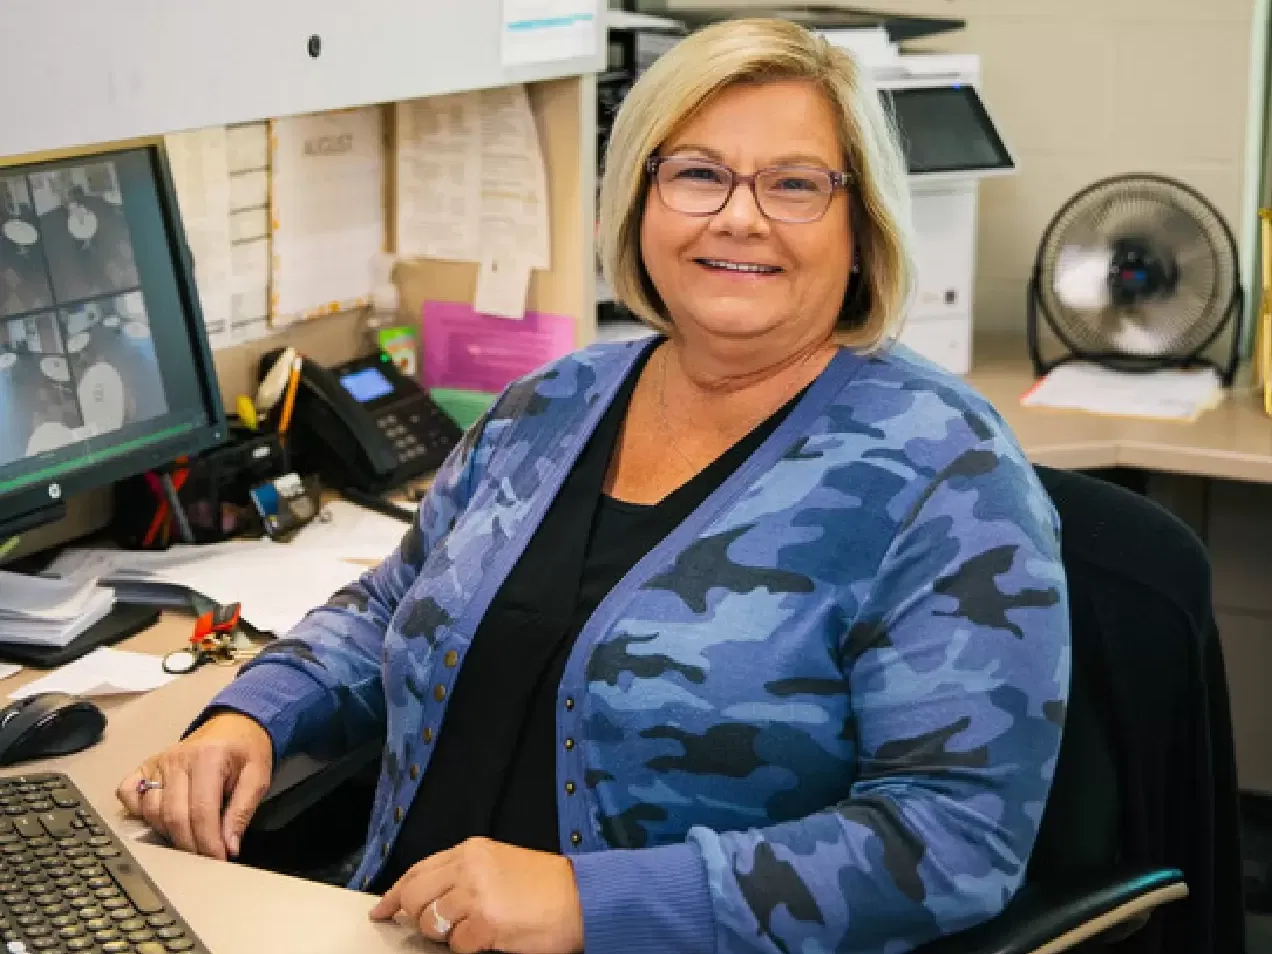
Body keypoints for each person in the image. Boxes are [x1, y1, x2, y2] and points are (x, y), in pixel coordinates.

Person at [118, 17, 1070, 954]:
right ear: (640, 201)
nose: (739, 216)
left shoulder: (942, 469)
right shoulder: (554, 403)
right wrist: (254, 714)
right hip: (387, 929)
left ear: (861, 228)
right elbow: (391, 606)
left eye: (794, 185)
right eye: (698, 174)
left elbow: (952, 842)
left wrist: (591, 902)